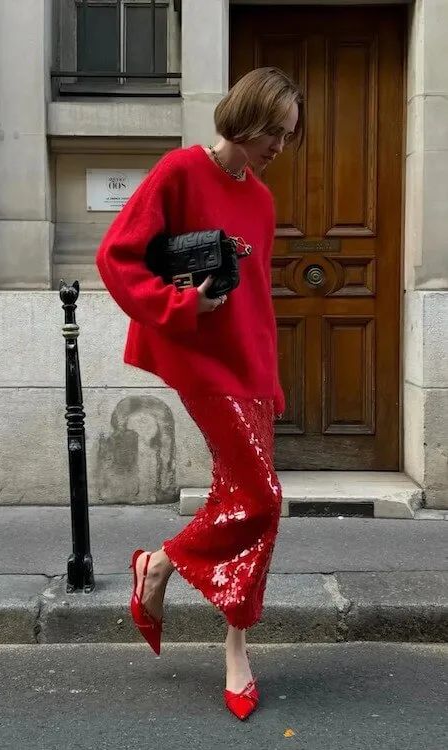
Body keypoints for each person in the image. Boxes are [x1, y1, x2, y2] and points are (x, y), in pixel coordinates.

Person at [95, 66, 303, 721]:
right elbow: (116, 256)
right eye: (275, 131)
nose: (279, 146)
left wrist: (271, 381)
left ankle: (236, 647)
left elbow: (261, 303)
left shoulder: (262, 200)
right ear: (247, 116)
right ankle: (159, 564)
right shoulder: (180, 171)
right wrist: (181, 305)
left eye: (288, 137)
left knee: (241, 499)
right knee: (263, 499)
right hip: (203, 365)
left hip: (251, 370)